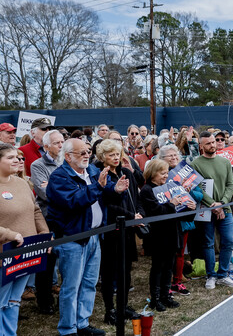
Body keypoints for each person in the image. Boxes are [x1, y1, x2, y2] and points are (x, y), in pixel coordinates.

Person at [47, 138, 129, 335]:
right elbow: (74, 201)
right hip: (72, 238)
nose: (87, 155)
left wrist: (116, 189)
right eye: (81, 152)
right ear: (68, 156)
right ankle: (68, 329)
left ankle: (82, 323)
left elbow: (106, 189)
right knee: (71, 287)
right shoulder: (59, 177)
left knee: (89, 283)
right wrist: (99, 188)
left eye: (88, 151)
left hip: (94, 236)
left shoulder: (92, 171)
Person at [0, 144, 49, 336]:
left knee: (14, 300)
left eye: (18, 157)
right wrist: (9, 234)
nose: (18, 161)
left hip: (26, 253)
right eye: (11, 157)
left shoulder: (21, 183)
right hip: (5, 254)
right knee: (2, 300)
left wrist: (44, 234)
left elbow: (35, 210)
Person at [93, 139, 144, 324]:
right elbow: (109, 204)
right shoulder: (100, 175)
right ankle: (110, 310)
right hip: (111, 228)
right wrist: (132, 216)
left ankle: (123, 306)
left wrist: (139, 215)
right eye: (111, 155)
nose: (115, 158)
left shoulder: (127, 171)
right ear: (102, 157)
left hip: (129, 227)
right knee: (109, 271)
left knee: (126, 269)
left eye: (117, 154)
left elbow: (137, 197)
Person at [139, 160, 195, 312]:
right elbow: (155, 211)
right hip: (158, 235)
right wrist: (172, 204)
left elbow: (180, 212)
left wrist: (190, 207)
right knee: (158, 267)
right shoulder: (147, 190)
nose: (165, 176)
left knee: (169, 266)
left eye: (166, 173)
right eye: (162, 173)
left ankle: (166, 295)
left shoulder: (170, 186)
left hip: (172, 231)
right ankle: (155, 299)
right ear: (152, 173)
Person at [190, 132, 233, 290]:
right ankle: (211, 275)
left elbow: (230, 185)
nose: (213, 145)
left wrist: (222, 203)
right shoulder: (195, 164)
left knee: (228, 241)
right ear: (201, 146)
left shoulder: (225, 162)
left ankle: (223, 274)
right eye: (209, 143)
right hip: (206, 209)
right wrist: (213, 205)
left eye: (214, 142)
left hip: (225, 209)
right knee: (208, 242)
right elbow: (197, 188)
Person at [30, 129, 64, 314]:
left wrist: (55, 187)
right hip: (48, 217)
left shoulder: (67, 162)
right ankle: (44, 301)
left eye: (62, 141)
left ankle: (64, 298)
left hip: (67, 217)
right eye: (57, 143)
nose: (61, 145)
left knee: (66, 258)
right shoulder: (38, 165)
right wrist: (66, 191)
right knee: (46, 261)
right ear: (46, 147)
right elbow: (45, 193)